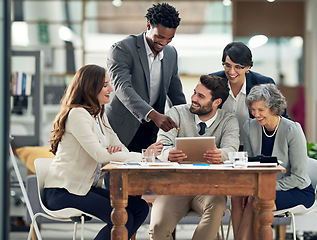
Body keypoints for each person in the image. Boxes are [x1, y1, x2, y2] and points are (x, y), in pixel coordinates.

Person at [43, 64, 162, 240]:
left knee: (140, 208)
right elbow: (99, 155)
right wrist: (143, 156)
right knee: (122, 219)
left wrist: (110, 152)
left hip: (84, 188)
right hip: (64, 191)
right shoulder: (78, 114)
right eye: (105, 85)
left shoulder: (99, 115)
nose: (111, 89)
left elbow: (121, 149)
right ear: (92, 88)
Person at [149, 75, 240, 240]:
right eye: (194, 93)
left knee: (218, 206)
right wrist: (168, 154)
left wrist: (221, 154)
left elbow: (231, 149)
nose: (193, 98)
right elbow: (161, 144)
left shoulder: (228, 120)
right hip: (175, 188)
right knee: (157, 230)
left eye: (201, 96)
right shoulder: (176, 112)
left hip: (210, 188)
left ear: (216, 102)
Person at [231, 84, 315, 240]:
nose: (256, 114)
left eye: (261, 110)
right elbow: (251, 165)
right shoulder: (250, 127)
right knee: (237, 197)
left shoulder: (292, 130)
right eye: (253, 110)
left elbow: (299, 177)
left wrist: (264, 188)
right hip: (262, 187)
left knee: (255, 200)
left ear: (274, 108)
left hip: (297, 190)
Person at [106, 3, 186, 153]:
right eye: (160, 37)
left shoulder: (171, 53)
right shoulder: (122, 49)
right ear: (148, 26)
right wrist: (153, 115)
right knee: (118, 173)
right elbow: (122, 88)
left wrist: (188, 119)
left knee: (149, 173)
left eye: (169, 39)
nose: (163, 43)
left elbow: (176, 94)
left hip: (153, 130)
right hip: (122, 128)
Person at [210, 41, 289, 149]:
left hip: (254, 147)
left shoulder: (263, 83)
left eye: (238, 67)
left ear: (248, 67)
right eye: (227, 65)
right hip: (220, 148)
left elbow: (281, 116)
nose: (232, 72)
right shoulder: (213, 81)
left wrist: (294, 144)